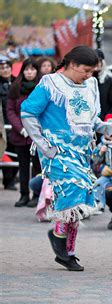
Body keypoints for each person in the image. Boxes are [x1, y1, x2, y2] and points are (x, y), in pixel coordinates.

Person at [21, 46, 112, 272]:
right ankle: (59, 238)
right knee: (73, 191)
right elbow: (28, 112)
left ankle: (68, 252)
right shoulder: (50, 83)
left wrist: (107, 128)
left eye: (92, 71)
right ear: (72, 64)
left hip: (83, 150)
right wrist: (44, 145)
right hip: (57, 150)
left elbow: (91, 119)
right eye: (86, 70)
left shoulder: (91, 85)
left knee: (83, 198)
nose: (89, 75)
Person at [6, 58, 42, 207]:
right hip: (20, 135)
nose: (29, 72)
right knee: (22, 166)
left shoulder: (42, 88)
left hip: (37, 136)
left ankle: (37, 194)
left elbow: (44, 110)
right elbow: (10, 110)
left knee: (37, 166)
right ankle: (23, 194)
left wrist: (34, 128)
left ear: (36, 71)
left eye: (32, 69)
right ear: (22, 71)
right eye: (26, 69)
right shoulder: (15, 87)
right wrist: (21, 127)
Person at [0, 58, 19, 191]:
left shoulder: (18, 82)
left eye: (7, 67)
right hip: (3, 122)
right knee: (5, 151)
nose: (5, 70)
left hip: (17, 123)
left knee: (17, 152)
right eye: (2, 68)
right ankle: (8, 180)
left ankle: (11, 178)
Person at [93, 49, 112, 121]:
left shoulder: (109, 81)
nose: (97, 64)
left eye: (99, 61)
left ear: (102, 62)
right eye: (94, 61)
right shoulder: (84, 80)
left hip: (104, 123)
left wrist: (109, 118)